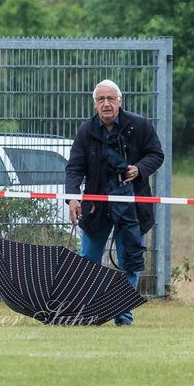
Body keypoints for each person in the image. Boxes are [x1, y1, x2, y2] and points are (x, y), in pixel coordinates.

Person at [65, 79, 165, 326]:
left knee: (130, 259)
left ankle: (123, 314)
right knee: (88, 259)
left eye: (111, 99)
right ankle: (87, 312)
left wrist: (139, 169)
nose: (106, 104)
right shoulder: (86, 131)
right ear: (95, 104)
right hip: (96, 207)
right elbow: (75, 167)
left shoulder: (139, 126)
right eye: (101, 99)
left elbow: (156, 154)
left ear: (120, 101)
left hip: (132, 206)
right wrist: (73, 197)